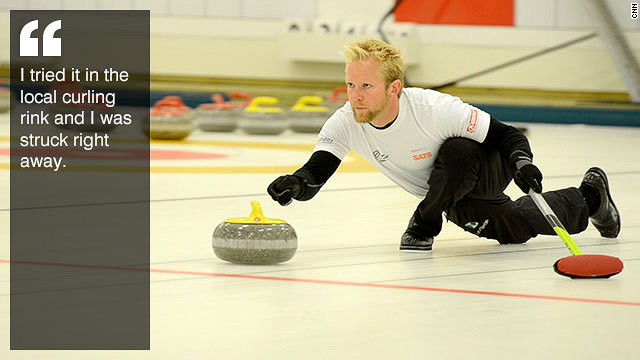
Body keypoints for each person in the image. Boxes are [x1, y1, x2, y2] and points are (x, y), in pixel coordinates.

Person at [267, 38, 620, 251]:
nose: (354, 97)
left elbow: (507, 135)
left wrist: (522, 162)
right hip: (450, 192)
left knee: (457, 150)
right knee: (510, 226)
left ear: (393, 88)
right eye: (349, 85)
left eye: (365, 87)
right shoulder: (346, 122)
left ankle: (424, 224)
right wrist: (296, 184)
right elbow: (317, 171)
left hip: (486, 163)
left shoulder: (433, 110)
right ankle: (591, 199)